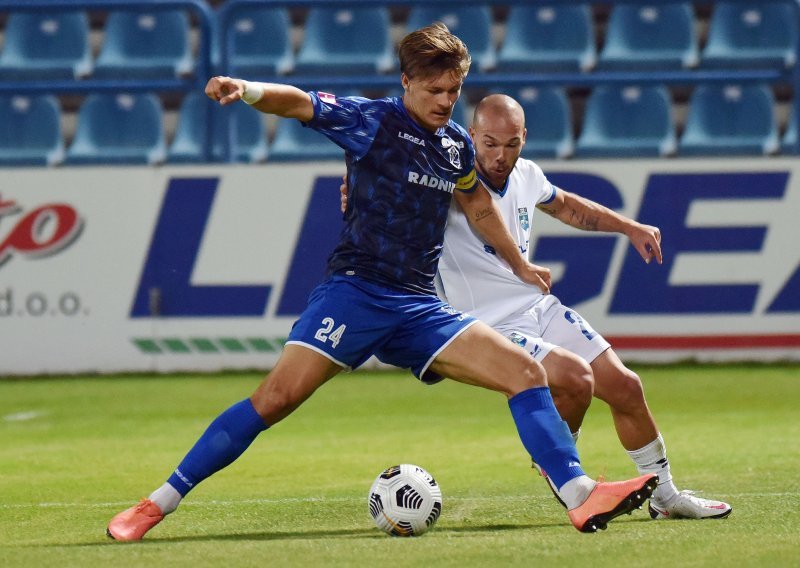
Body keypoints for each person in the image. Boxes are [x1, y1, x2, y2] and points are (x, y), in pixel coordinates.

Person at [106, 24, 656, 541]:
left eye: (454, 89)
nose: (446, 101)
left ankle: (580, 495)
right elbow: (300, 102)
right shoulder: (371, 121)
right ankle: (157, 503)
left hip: (419, 305)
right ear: (407, 82)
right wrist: (246, 89)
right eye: (436, 89)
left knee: (526, 370)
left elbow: (479, 208)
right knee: (275, 398)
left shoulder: (455, 146)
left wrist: (518, 266)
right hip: (357, 292)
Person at [434, 94, 732, 520]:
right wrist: (359, 199)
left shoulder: (527, 174)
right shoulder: (446, 179)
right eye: (490, 143)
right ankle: (559, 463)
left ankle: (666, 497)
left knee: (626, 386)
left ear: (525, 138)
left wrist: (628, 227)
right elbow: (395, 196)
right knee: (577, 378)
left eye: (512, 144)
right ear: (473, 134)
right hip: (489, 325)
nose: (501, 156)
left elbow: (569, 206)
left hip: (537, 306)